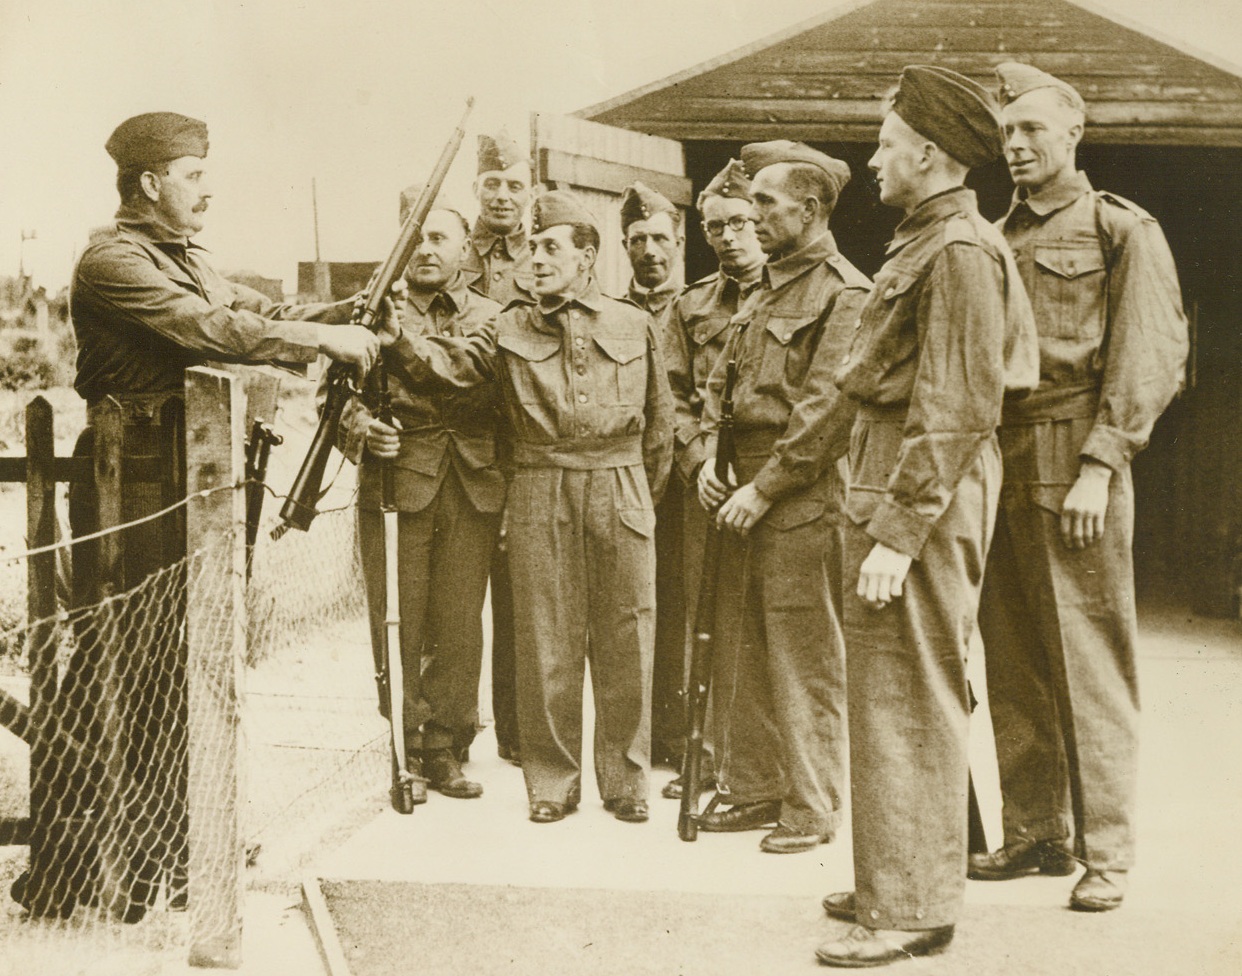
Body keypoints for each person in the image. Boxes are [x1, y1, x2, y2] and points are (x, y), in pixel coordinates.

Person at [38, 111, 379, 921]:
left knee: (195, 661)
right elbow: (212, 328)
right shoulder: (115, 260)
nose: (207, 190)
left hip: (190, 481)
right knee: (133, 666)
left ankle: (185, 839)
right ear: (151, 183)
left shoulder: (186, 255)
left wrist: (346, 313)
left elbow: (250, 310)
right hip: (135, 484)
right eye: (193, 177)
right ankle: (115, 858)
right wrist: (316, 342)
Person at [816, 67, 1038, 966]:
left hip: (924, 488)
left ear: (930, 154)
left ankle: (911, 905)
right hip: (894, 473)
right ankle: (895, 876)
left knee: (911, 692)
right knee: (888, 692)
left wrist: (900, 535)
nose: (873, 161)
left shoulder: (956, 251)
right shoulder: (927, 240)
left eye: (883, 144)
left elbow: (956, 402)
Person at [377, 190, 674, 825]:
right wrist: (398, 340)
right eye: (531, 248)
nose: (534, 258)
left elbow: (660, 430)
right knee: (545, 640)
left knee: (629, 635)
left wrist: (639, 498)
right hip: (540, 483)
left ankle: (626, 783)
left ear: (586, 256)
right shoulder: (505, 324)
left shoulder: (633, 322)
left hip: (620, 483)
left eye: (549, 247)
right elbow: (452, 370)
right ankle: (552, 784)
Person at [970, 63, 1189, 912]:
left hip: (1075, 454)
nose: (1017, 146)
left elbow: (1151, 353)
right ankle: (1036, 833)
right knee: (1012, 654)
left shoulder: (1119, 229)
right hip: (1000, 456)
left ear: (1072, 135)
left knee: (1088, 661)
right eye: (1006, 134)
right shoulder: (992, 234)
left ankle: (1109, 853)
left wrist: (1102, 463)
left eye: (1032, 131)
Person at [696, 141, 869, 854]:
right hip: (741, 484)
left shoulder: (844, 292)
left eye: (767, 202)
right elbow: (719, 385)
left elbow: (828, 410)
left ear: (812, 207)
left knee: (804, 653)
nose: (754, 214)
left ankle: (811, 803)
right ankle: (756, 787)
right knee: (745, 647)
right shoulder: (764, 286)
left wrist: (764, 489)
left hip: (800, 494)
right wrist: (710, 452)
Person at [339, 194, 506, 803]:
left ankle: (446, 741)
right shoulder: (369, 312)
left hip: (470, 481)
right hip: (396, 481)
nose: (427, 250)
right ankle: (406, 740)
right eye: (418, 240)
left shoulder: (493, 314)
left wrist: (399, 343)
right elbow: (338, 400)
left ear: (465, 252)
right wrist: (363, 431)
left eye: (441, 240)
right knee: (397, 621)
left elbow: (470, 371)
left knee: (460, 621)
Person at [659, 159, 766, 800]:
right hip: (708, 486)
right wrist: (698, 464)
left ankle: (756, 762)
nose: (728, 237)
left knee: (763, 627)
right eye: (715, 226)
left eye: (740, 223)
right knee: (704, 619)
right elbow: (672, 395)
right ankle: (703, 755)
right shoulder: (689, 306)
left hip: (772, 485)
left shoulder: (789, 292)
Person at [463, 129, 534, 766]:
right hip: (459, 444)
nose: (504, 196)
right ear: (475, 189)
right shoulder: (447, 253)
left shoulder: (543, 257)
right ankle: (445, 736)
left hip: (519, 449)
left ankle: (516, 734)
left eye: (515, 184)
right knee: (453, 604)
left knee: (519, 600)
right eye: (493, 185)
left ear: (530, 190)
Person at [620, 181, 687, 769]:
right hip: (629, 485)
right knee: (635, 614)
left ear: (680, 241)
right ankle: (641, 739)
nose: (650, 252)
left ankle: (683, 738)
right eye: (638, 240)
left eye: (660, 239)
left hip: (689, 486)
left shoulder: (703, 306)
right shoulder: (612, 315)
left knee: (685, 607)